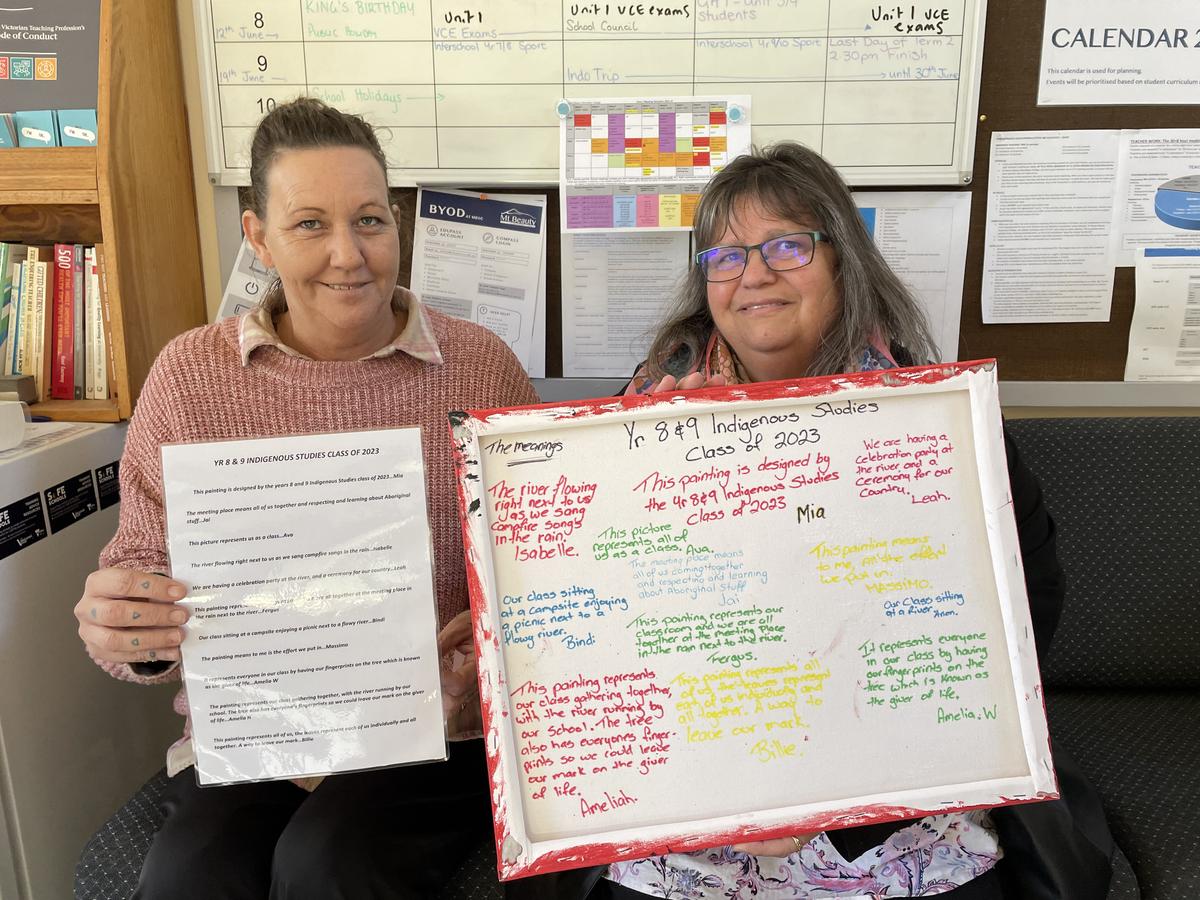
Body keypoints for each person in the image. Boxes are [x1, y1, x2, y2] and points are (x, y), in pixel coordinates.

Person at [505, 143, 1114, 900]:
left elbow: (1022, 613)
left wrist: (830, 781)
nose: (754, 274)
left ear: (843, 263)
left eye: (787, 246)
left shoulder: (934, 425)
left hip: (897, 815)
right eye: (726, 256)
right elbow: (602, 635)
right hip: (688, 811)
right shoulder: (637, 426)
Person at [73, 97, 539, 899]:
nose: (347, 255)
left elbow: (541, 563)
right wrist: (132, 630)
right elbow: (143, 574)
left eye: (369, 221)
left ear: (397, 223)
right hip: (256, 735)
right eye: (310, 224)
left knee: (328, 862)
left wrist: (485, 651)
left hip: (431, 735)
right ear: (258, 236)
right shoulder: (189, 377)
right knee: (190, 875)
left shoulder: (480, 367)